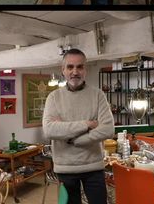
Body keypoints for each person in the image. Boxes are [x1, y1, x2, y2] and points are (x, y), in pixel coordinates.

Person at [42, 48, 114, 204]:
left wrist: (74, 139)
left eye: (79, 67)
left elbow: (108, 129)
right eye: (70, 67)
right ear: (63, 70)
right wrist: (87, 124)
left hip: (94, 167)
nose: (75, 71)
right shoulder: (53, 98)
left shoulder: (98, 95)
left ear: (85, 70)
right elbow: (49, 130)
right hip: (64, 169)